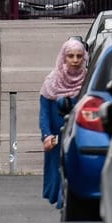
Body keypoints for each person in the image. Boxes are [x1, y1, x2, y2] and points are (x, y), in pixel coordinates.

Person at [38, 37, 89, 208]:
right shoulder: (52, 81)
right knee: (59, 169)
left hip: (80, 135)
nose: (75, 60)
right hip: (56, 137)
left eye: (79, 56)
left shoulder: (88, 81)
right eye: (70, 56)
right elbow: (44, 112)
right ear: (63, 57)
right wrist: (46, 135)